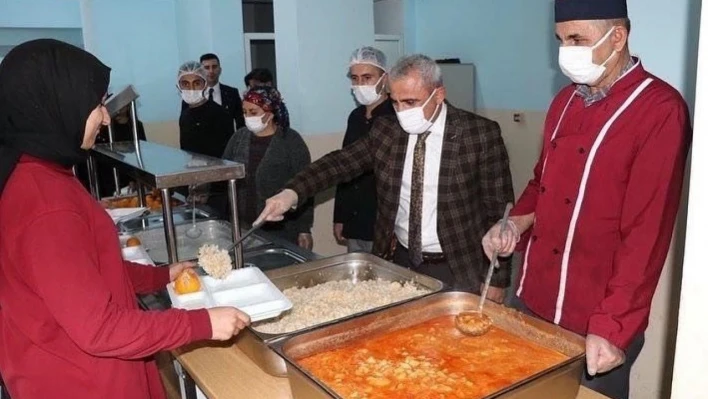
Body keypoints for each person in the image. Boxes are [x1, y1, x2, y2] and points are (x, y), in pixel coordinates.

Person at [0, 39, 250, 399]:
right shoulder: (46, 205)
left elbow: (87, 269)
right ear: (56, 103)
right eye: (97, 105)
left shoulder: (38, 173)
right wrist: (202, 323)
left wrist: (159, 275)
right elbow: (99, 329)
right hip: (79, 382)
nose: (105, 116)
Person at [481, 1, 691, 398]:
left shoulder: (660, 110)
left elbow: (647, 234)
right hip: (533, 299)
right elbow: (541, 184)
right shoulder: (564, 102)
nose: (566, 51)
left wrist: (612, 328)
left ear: (618, 36)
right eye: (560, 40)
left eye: (577, 39)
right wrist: (514, 224)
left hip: (594, 316)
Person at [255, 54, 514, 296]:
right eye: (395, 101)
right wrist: (292, 192)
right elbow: (340, 163)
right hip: (398, 258)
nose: (402, 111)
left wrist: (497, 280)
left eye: (411, 102)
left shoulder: (479, 134)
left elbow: (500, 212)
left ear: (439, 94)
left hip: (457, 263)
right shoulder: (387, 130)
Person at [222, 86, 313, 249]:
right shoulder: (238, 138)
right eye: (245, 112)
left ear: (269, 113)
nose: (247, 117)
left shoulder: (290, 140)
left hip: (280, 227)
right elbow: (223, 172)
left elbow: (305, 185)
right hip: (242, 225)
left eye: (253, 112)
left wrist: (304, 229)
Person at [333, 47, 395, 253]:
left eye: (367, 77)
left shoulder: (397, 117)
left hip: (385, 221)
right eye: (355, 78)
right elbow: (344, 167)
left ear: (384, 78)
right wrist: (340, 217)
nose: (360, 84)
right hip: (355, 219)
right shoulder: (355, 117)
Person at [76, 104, 148, 197]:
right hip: (109, 173)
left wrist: (136, 180)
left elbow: (142, 154)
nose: (119, 108)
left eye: (122, 105)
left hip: (129, 171)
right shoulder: (107, 127)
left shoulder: (136, 125)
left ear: (128, 106)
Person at [189, 53, 245, 129]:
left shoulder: (232, 93)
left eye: (214, 67)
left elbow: (240, 122)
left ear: (220, 70)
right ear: (200, 72)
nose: (211, 71)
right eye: (207, 67)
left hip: (228, 140)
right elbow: (185, 125)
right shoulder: (192, 95)